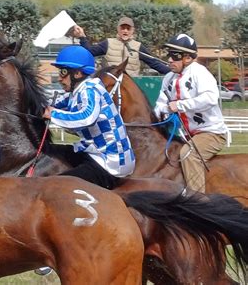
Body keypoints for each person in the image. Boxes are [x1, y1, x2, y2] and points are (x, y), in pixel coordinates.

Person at [43, 45, 135, 189]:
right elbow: (52, 104)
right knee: (50, 152)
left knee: (57, 186)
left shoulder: (90, 90)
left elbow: (86, 118)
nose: (59, 78)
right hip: (94, 154)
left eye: (63, 72)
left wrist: (53, 114)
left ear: (78, 73)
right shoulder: (76, 92)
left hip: (110, 164)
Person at [153, 34, 228, 193]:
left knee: (188, 154)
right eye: (169, 55)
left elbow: (210, 98)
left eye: (175, 56)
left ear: (187, 58)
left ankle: (198, 200)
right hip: (188, 135)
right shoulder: (168, 78)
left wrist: (179, 105)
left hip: (212, 133)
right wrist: (158, 115)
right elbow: (161, 104)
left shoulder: (200, 72)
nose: (170, 60)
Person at [67, 16, 170, 76]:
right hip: (109, 87)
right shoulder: (108, 43)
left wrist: (173, 71)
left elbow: (155, 64)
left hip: (130, 89)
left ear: (132, 30)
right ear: (118, 29)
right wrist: (82, 37)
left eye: (128, 28)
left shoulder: (138, 47)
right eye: (123, 28)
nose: (125, 31)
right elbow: (89, 52)